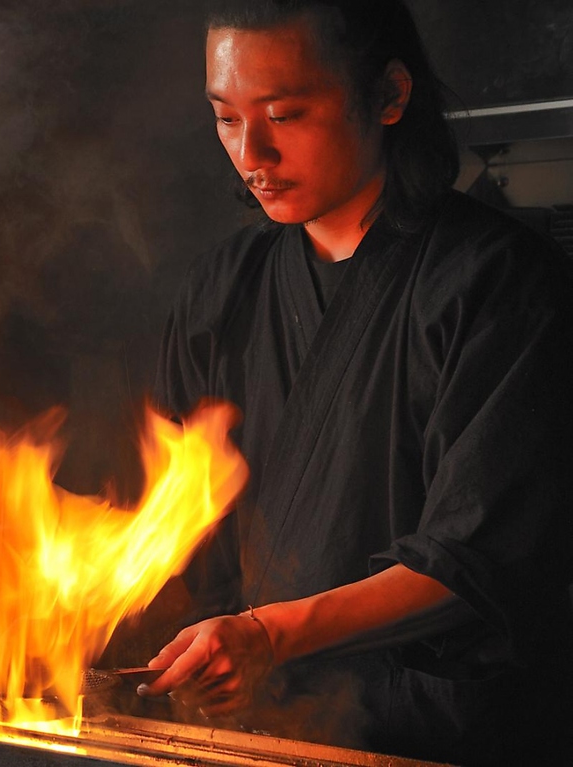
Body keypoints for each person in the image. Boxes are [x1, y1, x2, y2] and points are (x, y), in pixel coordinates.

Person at [135, 1, 573, 764]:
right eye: (227, 119)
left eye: (284, 112)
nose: (251, 153)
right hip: (250, 736)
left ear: (390, 95)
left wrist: (267, 633)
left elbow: (473, 559)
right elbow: (180, 537)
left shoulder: (500, 285)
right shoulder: (220, 292)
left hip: (433, 736)